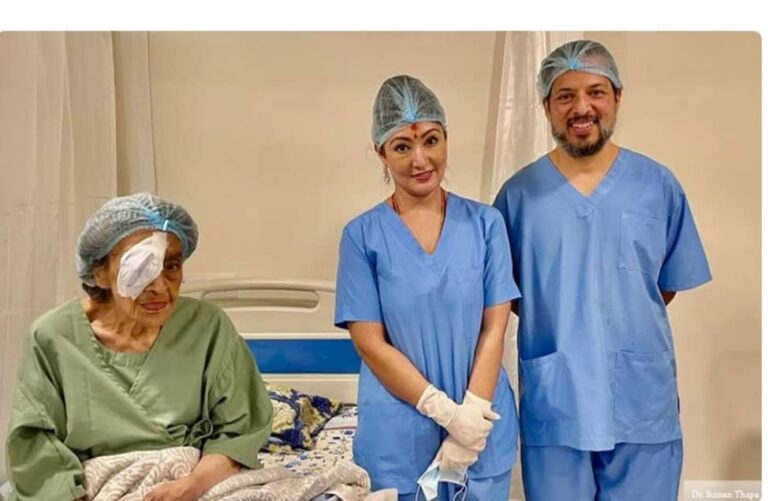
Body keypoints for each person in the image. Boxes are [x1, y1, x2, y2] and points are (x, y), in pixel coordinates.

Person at [493, 40, 712, 500]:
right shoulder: (518, 197)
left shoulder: (657, 185)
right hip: (558, 402)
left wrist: (612, 315)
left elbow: (665, 284)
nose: (581, 108)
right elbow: (505, 295)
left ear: (617, 97)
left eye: (595, 92)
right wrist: (567, 323)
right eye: (565, 95)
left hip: (640, 402)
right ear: (546, 107)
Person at [5, 193, 273, 501]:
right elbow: (35, 449)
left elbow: (239, 432)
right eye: (141, 267)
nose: (159, 287)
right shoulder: (53, 337)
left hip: (190, 482)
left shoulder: (206, 327)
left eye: (171, 266)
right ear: (99, 272)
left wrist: (193, 485)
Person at [335, 75, 520, 500]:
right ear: (380, 153)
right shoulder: (362, 236)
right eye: (402, 147)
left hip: (481, 421)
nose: (420, 160)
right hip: (399, 433)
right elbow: (369, 343)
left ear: (446, 140)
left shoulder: (486, 225)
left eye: (431, 141)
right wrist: (446, 414)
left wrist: (471, 416)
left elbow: (495, 327)